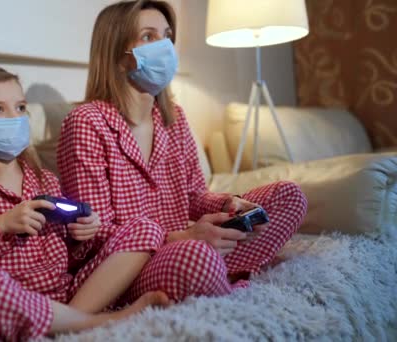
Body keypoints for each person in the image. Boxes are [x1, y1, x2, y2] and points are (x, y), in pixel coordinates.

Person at [57, 0, 308, 304]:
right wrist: (184, 238)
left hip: (188, 245)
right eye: (149, 37)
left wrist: (230, 205)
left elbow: (193, 195)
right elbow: (93, 236)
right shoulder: (86, 122)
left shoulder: (174, 117)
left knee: (289, 196)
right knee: (196, 256)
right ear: (117, 55)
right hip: (130, 265)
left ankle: (214, 271)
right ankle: (215, 275)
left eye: (167, 36)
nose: (164, 47)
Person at [0, 66, 170, 341]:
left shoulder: (45, 180)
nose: (14, 117)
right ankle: (97, 323)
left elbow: (67, 257)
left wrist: (82, 236)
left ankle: (73, 323)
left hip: (65, 297)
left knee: (146, 228)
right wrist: (1, 225)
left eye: (20, 107)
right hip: (6, 302)